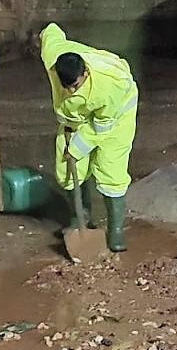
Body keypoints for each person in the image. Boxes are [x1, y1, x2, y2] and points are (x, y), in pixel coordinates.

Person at [35, 23, 139, 252]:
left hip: (115, 117)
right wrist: (43, 34)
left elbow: (101, 127)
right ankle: (80, 219)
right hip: (77, 119)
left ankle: (116, 231)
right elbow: (52, 33)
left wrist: (78, 148)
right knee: (67, 168)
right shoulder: (55, 58)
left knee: (110, 169)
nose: (70, 91)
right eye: (66, 87)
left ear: (86, 73)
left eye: (75, 86)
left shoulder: (109, 85)